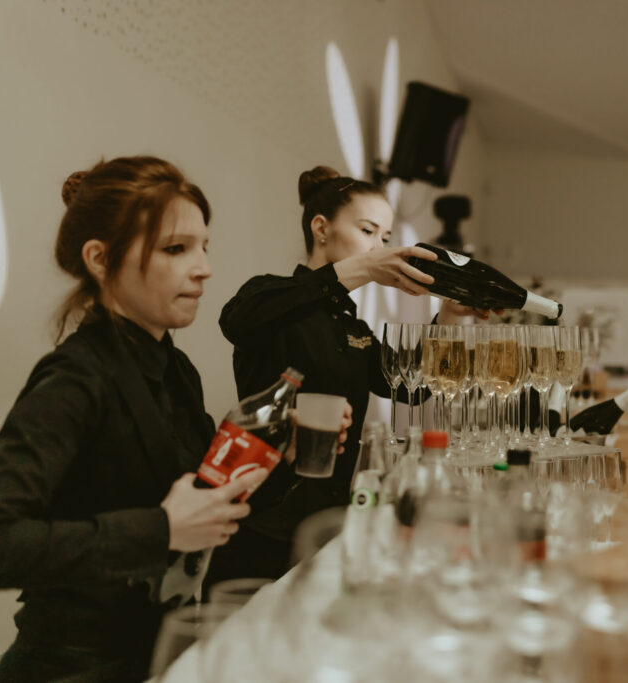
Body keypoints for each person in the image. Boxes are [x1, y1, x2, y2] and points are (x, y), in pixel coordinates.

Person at [0, 157, 278, 681]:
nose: (204, 268)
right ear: (101, 259)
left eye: (203, 246)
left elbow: (195, 492)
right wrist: (160, 529)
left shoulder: (176, 368)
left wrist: (276, 451)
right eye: (177, 249)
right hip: (70, 666)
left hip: (155, 650)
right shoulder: (75, 378)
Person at [210, 166, 489, 585]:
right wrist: (361, 270)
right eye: (368, 231)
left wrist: (449, 314)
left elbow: (411, 388)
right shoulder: (270, 298)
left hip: (331, 524)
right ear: (321, 228)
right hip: (262, 525)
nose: (379, 247)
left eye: (385, 238)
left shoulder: (352, 327)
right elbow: (236, 320)